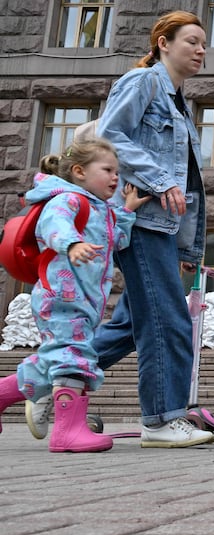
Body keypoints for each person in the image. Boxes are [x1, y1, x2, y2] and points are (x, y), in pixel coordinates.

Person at [82, 10, 214, 447]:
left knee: (130, 325)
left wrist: (185, 247)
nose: (200, 50)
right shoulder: (143, 83)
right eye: (191, 41)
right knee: (167, 320)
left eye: (202, 43)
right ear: (163, 42)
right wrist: (161, 179)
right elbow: (109, 134)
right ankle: (160, 420)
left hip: (164, 228)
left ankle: (48, 385)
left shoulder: (179, 102)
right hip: (142, 221)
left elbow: (189, 183)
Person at [0, 138, 150, 452]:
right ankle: (67, 432)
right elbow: (52, 227)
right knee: (74, 360)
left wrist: (125, 212)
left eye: (117, 171)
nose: (115, 177)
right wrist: (71, 244)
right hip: (61, 299)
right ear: (80, 171)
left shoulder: (101, 208)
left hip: (83, 302)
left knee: (50, 363)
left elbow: (117, 242)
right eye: (108, 170)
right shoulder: (67, 199)